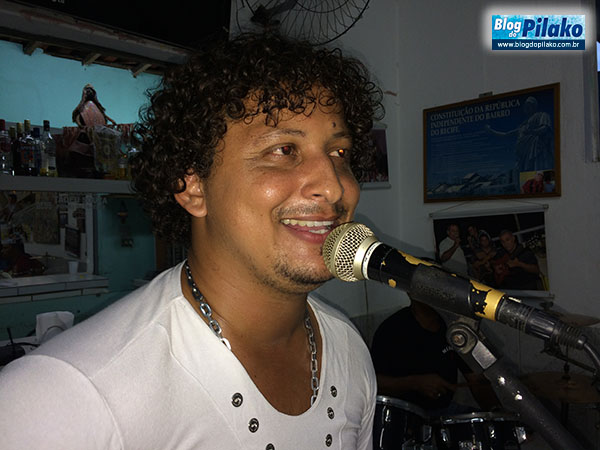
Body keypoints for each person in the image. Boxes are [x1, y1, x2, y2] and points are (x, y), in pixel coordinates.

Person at [0, 32, 384, 449]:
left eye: (339, 153)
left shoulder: (348, 350)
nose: (333, 186)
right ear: (193, 186)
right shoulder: (62, 399)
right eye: (284, 150)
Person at [370, 298, 499, 415]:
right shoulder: (392, 329)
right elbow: (373, 384)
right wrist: (414, 383)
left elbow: (476, 381)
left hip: (444, 411)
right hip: (404, 415)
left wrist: (496, 411)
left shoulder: (454, 328)